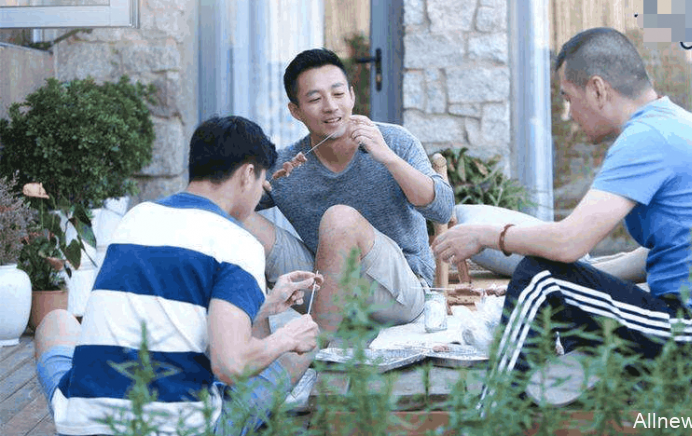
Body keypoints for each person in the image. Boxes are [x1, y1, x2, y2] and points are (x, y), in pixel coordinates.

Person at [432, 28, 692, 405]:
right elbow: (660, 253)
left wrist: (486, 235)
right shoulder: (670, 126)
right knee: (560, 274)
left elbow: (568, 242)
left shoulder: (646, 138)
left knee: (541, 277)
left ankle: (496, 414)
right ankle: (591, 368)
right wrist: (586, 276)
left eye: (568, 98)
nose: (568, 114)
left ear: (598, 89)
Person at [34, 116, 322, 435]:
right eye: (262, 181)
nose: (260, 194)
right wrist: (287, 338)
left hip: (83, 424)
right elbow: (230, 366)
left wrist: (263, 306)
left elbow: (168, 311)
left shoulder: (136, 218)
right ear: (247, 174)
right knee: (303, 343)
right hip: (179, 427)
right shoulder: (239, 242)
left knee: (56, 322)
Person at [244, 48, 454, 338]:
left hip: (398, 292)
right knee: (238, 217)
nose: (331, 106)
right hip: (325, 288)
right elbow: (224, 205)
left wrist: (388, 158)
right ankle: (254, 342)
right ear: (295, 111)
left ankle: (314, 344)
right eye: (315, 99)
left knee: (340, 218)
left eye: (338, 94)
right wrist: (249, 190)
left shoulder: (393, 140)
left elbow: (443, 210)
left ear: (352, 96)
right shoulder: (286, 166)